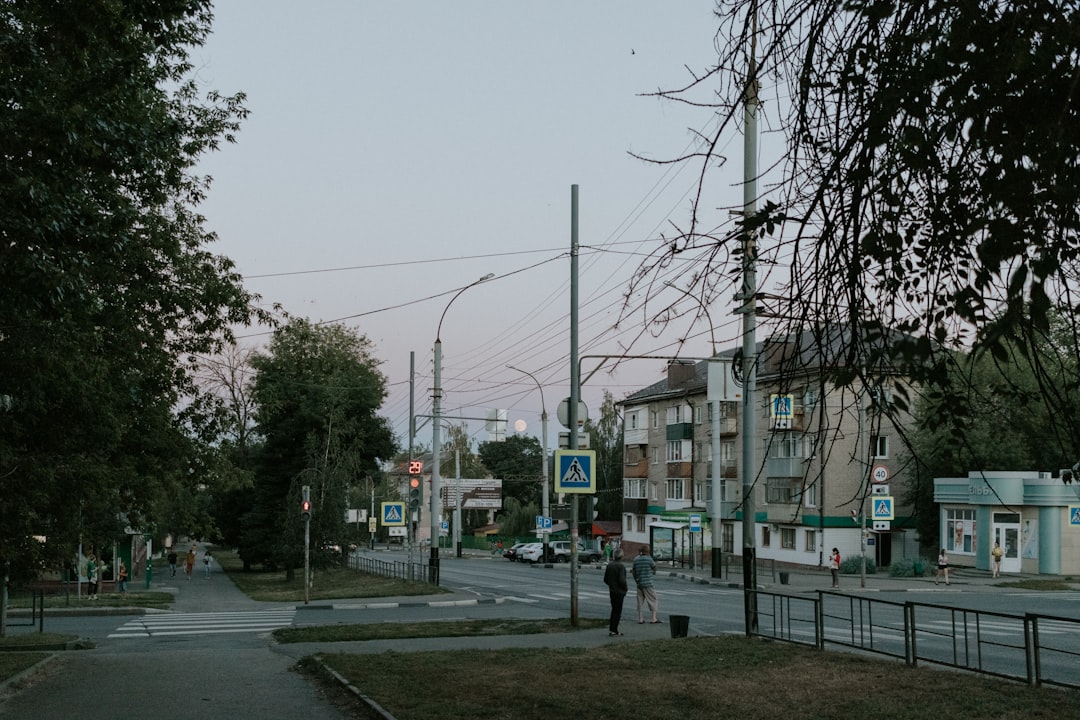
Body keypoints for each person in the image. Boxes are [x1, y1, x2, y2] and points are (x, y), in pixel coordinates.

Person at [602, 549, 628, 636]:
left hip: (612, 591)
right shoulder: (621, 566)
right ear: (621, 556)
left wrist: (611, 585)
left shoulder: (610, 565)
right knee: (617, 611)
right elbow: (622, 580)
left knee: (614, 610)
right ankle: (614, 630)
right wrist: (625, 588)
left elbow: (605, 579)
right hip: (619, 591)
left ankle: (612, 629)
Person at [631, 546, 659, 624]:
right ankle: (653, 618)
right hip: (648, 584)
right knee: (653, 599)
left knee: (640, 601)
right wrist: (653, 572)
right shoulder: (649, 559)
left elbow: (633, 572)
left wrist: (636, 580)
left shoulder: (636, 559)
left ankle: (640, 618)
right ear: (648, 551)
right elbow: (654, 567)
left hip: (639, 584)